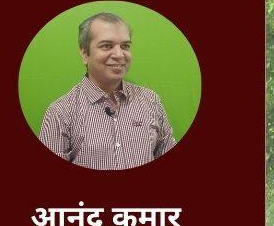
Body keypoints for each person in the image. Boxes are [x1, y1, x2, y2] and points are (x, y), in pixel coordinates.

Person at [38, 12, 176, 170]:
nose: (119, 54)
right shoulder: (60, 112)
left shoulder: (150, 100)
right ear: (84, 53)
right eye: (106, 46)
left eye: (125, 46)